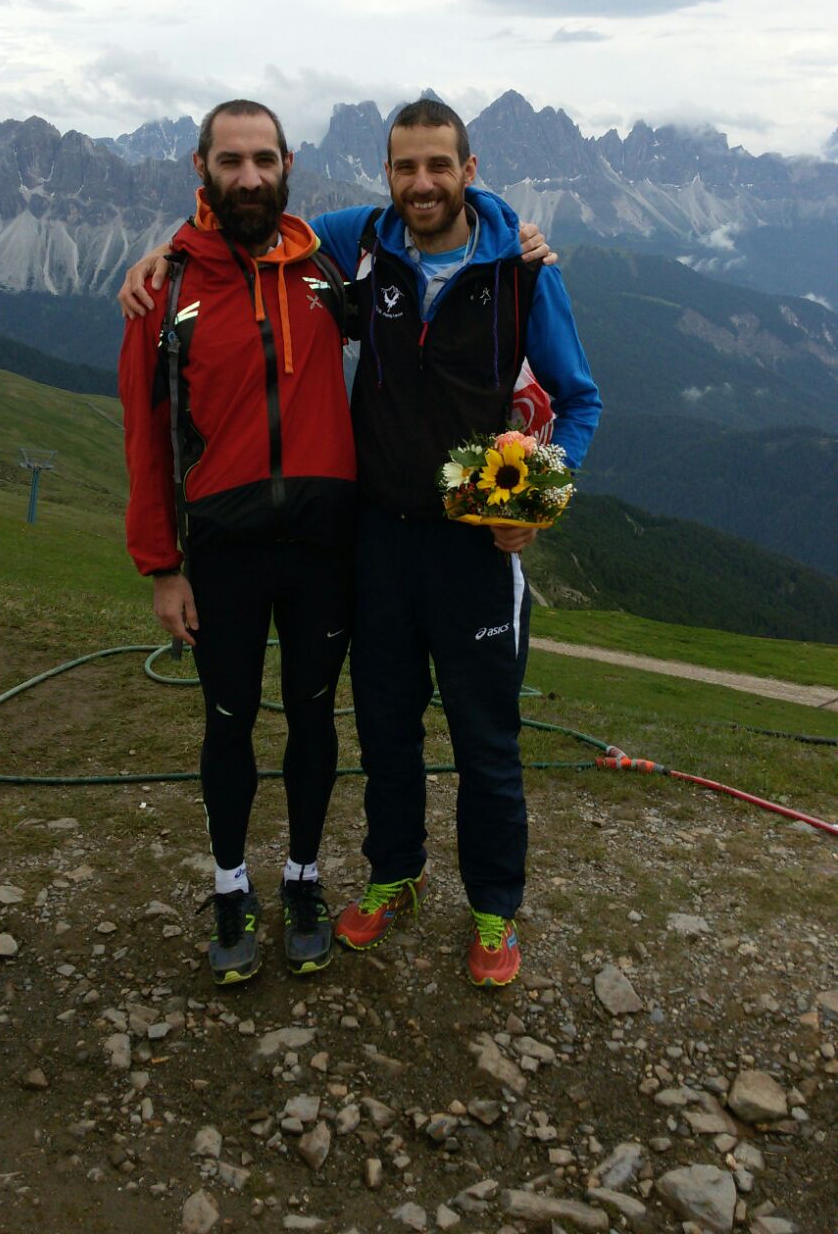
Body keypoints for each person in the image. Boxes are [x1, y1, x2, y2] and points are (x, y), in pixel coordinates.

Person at [119, 100, 589, 990]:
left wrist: (540, 498)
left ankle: (483, 908)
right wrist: (159, 255)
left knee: (474, 737)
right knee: (375, 727)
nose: (422, 184)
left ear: (468, 169)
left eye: (438, 167)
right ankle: (374, 877)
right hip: (339, 543)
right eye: (405, 168)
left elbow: (580, 397)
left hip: (428, 551)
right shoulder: (325, 251)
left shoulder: (491, 267)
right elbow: (155, 420)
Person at [119, 99, 357, 985]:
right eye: (232, 161)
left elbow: (436, 228)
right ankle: (229, 884)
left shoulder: (327, 267)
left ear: (289, 163)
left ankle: (300, 876)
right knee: (227, 720)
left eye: (264, 159)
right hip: (222, 550)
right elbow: (146, 441)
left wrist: (520, 236)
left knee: (312, 714)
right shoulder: (167, 289)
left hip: (325, 547)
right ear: (202, 168)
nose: (250, 176)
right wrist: (160, 569)